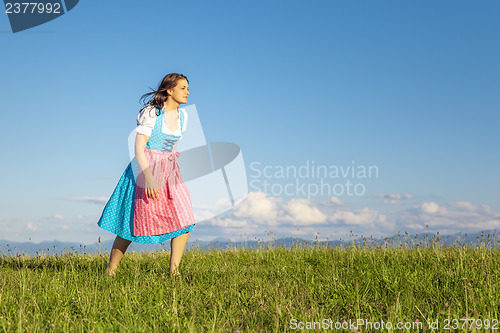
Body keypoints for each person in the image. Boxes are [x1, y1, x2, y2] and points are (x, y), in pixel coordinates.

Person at [97, 73, 195, 277]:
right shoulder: (152, 113)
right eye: (183, 88)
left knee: (185, 219)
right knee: (131, 223)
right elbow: (139, 147)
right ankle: (111, 270)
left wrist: (172, 170)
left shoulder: (183, 117)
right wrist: (148, 176)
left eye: (187, 88)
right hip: (146, 168)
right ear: (170, 90)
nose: (187, 92)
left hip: (170, 172)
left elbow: (174, 147)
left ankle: (174, 271)